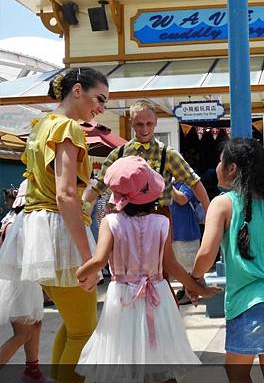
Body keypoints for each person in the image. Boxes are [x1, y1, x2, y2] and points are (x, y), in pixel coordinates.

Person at [0, 68, 108, 382]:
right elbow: (65, 193)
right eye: (98, 98)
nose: (101, 107)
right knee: (84, 330)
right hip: (56, 230)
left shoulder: (42, 124)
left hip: (35, 230)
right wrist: (90, 257)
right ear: (78, 90)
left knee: (74, 327)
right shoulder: (68, 128)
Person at [74, 157, 220, 382]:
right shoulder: (162, 223)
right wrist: (196, 286)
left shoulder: (110, 222)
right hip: (158, 296)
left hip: (122, 296)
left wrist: (81, 274)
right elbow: (171, 265)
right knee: (159, 355)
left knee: (123, 354)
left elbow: (99, 260)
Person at [189, 138, 264, 383]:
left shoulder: (222, 203)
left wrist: (195, 279)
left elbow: (206, 253)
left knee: (237, 372)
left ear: (231, 168)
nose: (217, 167)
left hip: (251, 302)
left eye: (221, 161)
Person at [83, 99, 210, 232]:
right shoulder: (119, 153)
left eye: (149, 123)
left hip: (158, 214)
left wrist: (209, 212)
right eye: (139, 124)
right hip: (125, 216)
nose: (145, 129)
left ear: (155, 121)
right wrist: (80, 207)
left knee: (161, 254)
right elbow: (98, 187)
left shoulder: (168, 154)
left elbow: (194, 182)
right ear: (131, 123)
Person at [0, 180, 45, 383]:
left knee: (35, 326)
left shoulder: (15, 219)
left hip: (26, 283)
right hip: (20, 283)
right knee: (23, 332)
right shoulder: (21, 223)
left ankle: (32, 371)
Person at [170, 180, 203, 304]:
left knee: (190, 265)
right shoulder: (174, 184)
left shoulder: (186, 183)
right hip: (176, 232)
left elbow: (182, 199)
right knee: (180, 263)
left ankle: (193, 291)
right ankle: (187, 289)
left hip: (187, 232)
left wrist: (167, 185)